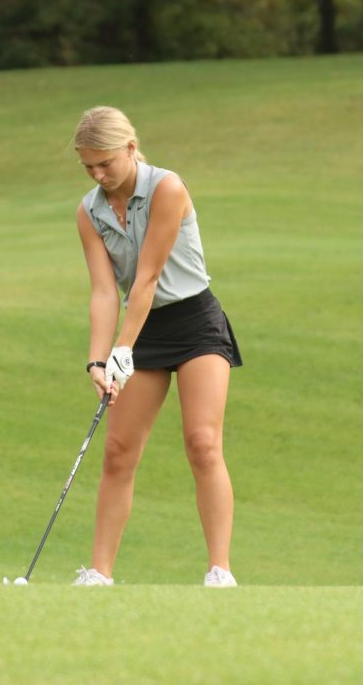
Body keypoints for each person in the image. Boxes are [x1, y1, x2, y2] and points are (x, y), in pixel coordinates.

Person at [71, 106, 243, 588]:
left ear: (130, 148)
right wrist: (99, 359)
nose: (98, 175)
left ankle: (219, 570)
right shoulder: (89, 212)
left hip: (194, 323)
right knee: (119, 451)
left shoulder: (168, 188)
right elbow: (105, 292)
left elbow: (146, 278)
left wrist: (124, 347)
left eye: (105, 163)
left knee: (203, 443)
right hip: (140, 330)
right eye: (88, 167)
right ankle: (99, 575)